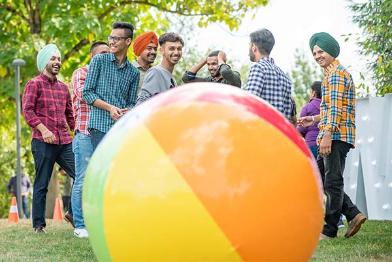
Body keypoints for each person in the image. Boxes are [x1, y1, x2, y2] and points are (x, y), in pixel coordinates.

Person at [299, 32, 366, 239]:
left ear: (331, 50)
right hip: (333, 133)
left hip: (335, 136)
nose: (317, 55)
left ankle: (329, 230)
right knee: (323, 178)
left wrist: (327, 134)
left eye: (321, 51)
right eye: (315, 52)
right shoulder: (330, 73)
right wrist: (316, 119)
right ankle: (353, 214)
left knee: (332, 182)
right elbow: (332, 108)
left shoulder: (336, 74)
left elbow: (336, 109)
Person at [22, 43, 75, 233]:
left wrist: (76, 133)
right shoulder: (34, 84)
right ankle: (38, 225)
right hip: (42, 141)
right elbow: (27, 111)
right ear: (44, 62)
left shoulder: (63, 88)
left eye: (59, 59)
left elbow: (70, 115)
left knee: (81, 175)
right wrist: (44, 130)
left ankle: (73, 213)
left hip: (64, 141)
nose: (57, 62)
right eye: (53, 59)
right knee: (42, 183)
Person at [70, 41, 109, 238]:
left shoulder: (109, 75)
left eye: (109, 53)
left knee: (101, 181)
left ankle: (97, 222)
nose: (107, 55)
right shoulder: (81, 72)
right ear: (93, 56)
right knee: (83, 179)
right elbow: (85, 95)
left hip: (104, 135)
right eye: (103, 53)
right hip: (85, 133)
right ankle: (80, 224)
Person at [83, 22, 140, 150]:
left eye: (116, 39)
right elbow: (87, 93)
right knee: (103, 168)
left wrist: (127, 111)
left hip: (120, 130)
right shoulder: (99, 61)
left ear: (128, 41)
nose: (112, 42)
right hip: (99, 126)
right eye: (111, 38)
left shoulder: (134, 72)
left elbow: (131, 103)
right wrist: (110, 108)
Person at [246, 28, 292, 119]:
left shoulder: (258, 68)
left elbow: (249, 103)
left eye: (249, 45)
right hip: (278, 131)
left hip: (260, 129)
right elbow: (288, 115)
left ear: (254, 47)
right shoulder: (284, 77)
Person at [136, 32, 184, 105]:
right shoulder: (155, 72)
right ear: (162, 50)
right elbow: (141, 104)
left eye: (179, 49)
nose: (176, 52)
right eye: (171, 49)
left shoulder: (172, 80)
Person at [297, 81, 322, 158]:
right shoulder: (328, 108)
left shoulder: (307, 107)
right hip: (327, 145)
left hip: (312, 144)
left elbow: (301, 129)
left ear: (314, 93)